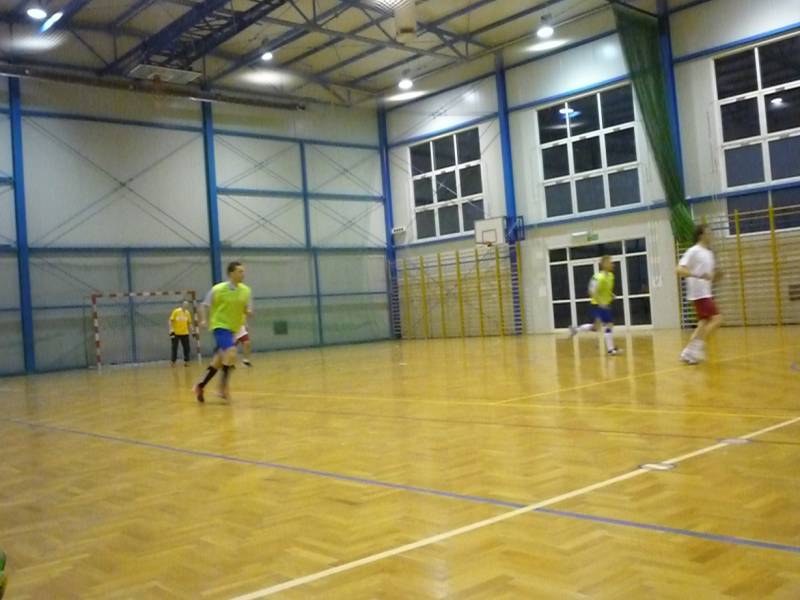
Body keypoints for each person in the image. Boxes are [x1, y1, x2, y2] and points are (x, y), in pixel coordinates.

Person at [193, 261, 252, 402]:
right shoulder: (218, 289)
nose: (243, 274)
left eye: (243, 271)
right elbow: (204, 305)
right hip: (220, 326)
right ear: (231, 273)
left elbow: (246, 308)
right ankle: (222, 388)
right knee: (231, 352)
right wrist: (203, 320)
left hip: (234, 329)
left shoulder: (246, 291)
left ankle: (200, 386)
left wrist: (248, 312)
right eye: (240, 271)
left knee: (218, 361)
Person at [676, 224, 722, 364]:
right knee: (717, 319)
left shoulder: (709, 253)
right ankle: (696, 349)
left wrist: (715, 276)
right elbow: (679, 269)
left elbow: (709, 275)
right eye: (708, 232)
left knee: (702, 324)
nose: (711, 234)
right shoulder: (693, 251)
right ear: (701, 235)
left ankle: (687, 353)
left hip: (706, 292)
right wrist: (697, 275)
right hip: (699, 293)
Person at [569, 255, 622, 356]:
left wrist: (611, 294)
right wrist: (600, 302)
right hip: (597, 305)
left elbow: (606, 289)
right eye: (610, 262)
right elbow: (591, 291)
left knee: (596, 327)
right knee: (609, 324)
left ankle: (576, 329)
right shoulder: (597, 277)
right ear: (604, 264)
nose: (613, 264)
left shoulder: (611, 276)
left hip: (605, 305)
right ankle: (611, 350)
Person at [169, 300, 193, 367]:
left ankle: (186, 361)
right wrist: (171, 329)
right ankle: (173, 362)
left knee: (187, 348)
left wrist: (192, 331)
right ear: (182, 305)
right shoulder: (176, 311)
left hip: (185, 333)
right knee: (174, 348)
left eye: (187, 305)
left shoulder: (187, 313)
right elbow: (171, 320)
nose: (186, 306)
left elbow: (189, 323)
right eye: (185, 304)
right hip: (176, 333)